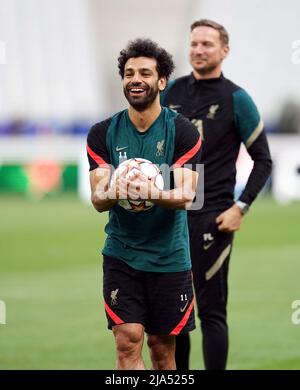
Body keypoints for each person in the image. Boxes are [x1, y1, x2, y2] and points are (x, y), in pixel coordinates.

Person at [161, 19, 272, 370]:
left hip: (213, 219)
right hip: (170, 217)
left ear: (224, 50)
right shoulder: (172, 93)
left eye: (207, 44)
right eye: (194, 43)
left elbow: (264, 161)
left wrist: (241, 207)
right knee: (174, 316)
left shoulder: (236, 98)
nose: (198, 50)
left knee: (210, 314)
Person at [86, 38, 202, 370]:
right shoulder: (102, 133)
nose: (135, 79)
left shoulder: (184, 133)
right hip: (122, 254)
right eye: (128, 73)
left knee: (162, 349)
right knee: (128, 341)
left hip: (170, 258)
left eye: (145, 73)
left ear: (162, 81)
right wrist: (117, 191)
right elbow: (97, 199)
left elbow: (187, 196)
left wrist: (149, 193)